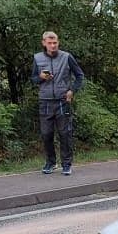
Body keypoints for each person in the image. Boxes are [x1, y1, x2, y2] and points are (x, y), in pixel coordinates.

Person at [32, 31, 84, 175]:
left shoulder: (66, 57)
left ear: (58, 42)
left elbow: (79, 76)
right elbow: (34, 79)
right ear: (44, 43)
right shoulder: (37, 58)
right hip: (45, 101)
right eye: (50, 43)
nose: (53, 45)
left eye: (55, 42)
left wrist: (72, 90)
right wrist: (41, 77)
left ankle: (66, 164)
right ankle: (50, 162)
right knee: (46, 133)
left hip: (62, 100)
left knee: (65, 134)